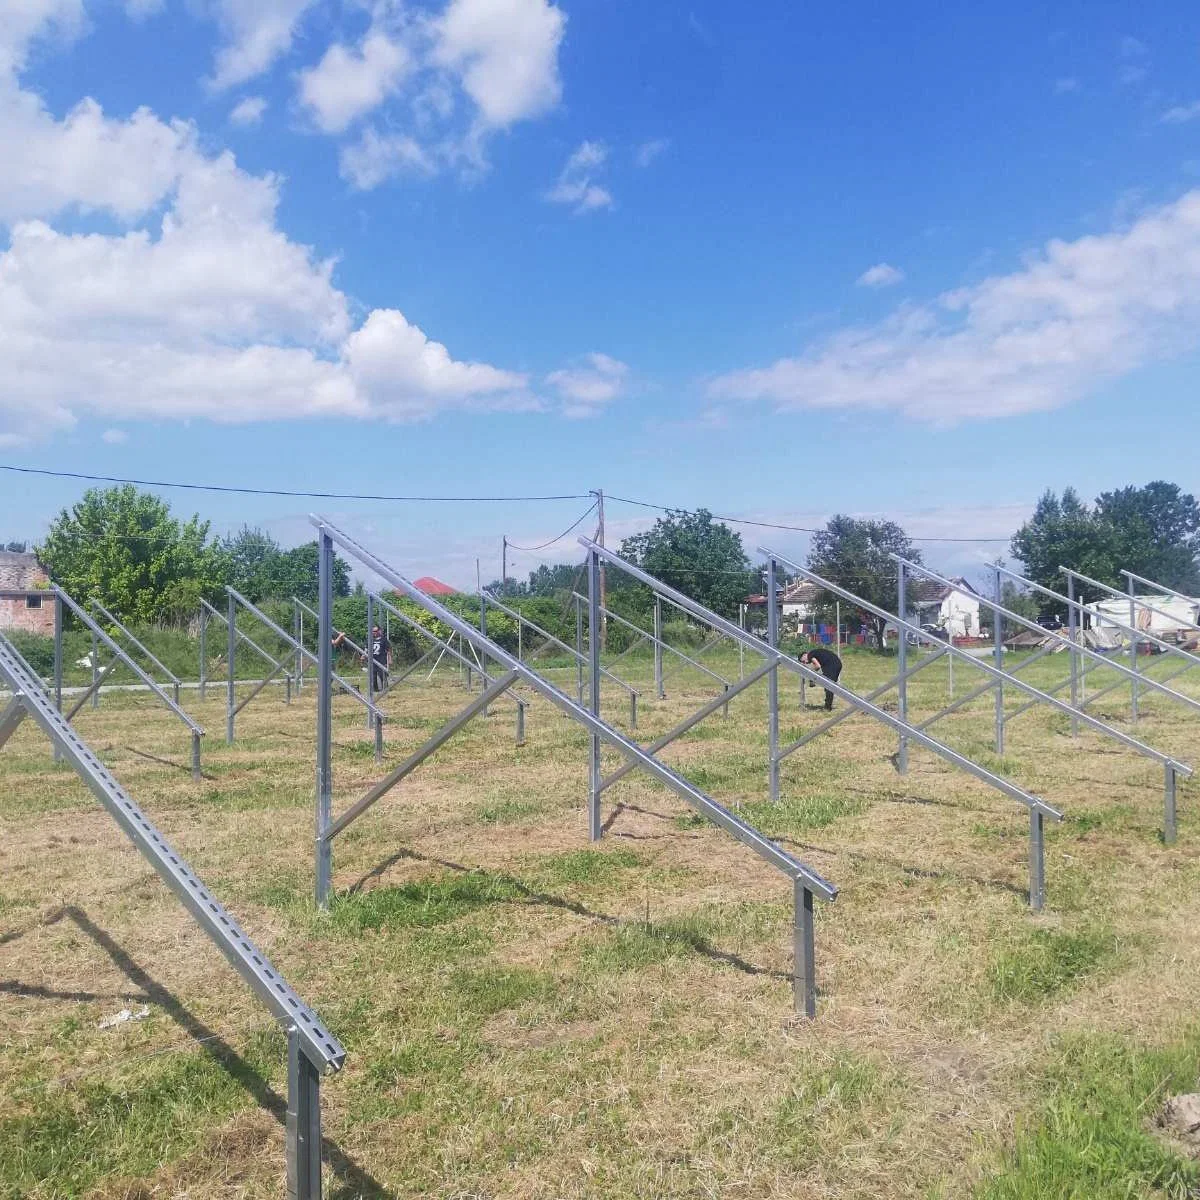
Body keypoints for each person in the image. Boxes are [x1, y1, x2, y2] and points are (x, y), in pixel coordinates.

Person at [799, 646, 842, 711]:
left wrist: (810, 673)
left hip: (831, 665)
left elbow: (817, 666)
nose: (805, 663)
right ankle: (828, 705)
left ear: (804, 655)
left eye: (803, 661)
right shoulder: (814, 653)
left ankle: (827, 707)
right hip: (837, 663)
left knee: (828, 687)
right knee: (830, 686)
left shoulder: (810, 655)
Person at [368, 623, 390, 691]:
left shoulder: (383, 639)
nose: (374, 633)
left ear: (378, 631)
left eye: (375, 631)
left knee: (382, 674)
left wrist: (389, 659)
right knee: (373, 675)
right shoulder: (370, 639)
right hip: (372, 660)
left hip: (381, 659)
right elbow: (366, 648)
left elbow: (388, 649)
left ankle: (386, 688)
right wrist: (363, 656)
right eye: (372, 631)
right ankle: (375, 689)